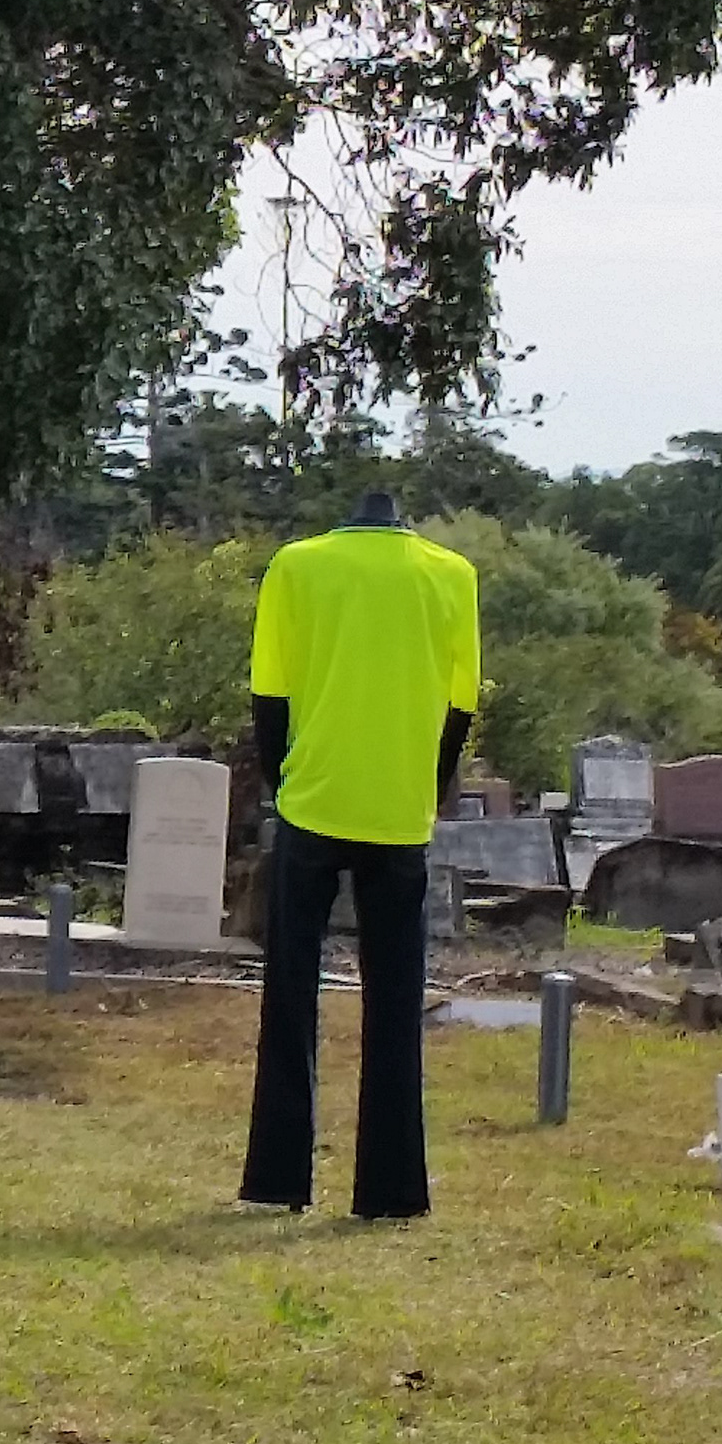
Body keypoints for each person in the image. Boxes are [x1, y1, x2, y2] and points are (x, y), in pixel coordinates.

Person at [240, 493, 478, 1220]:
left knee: (290, 993)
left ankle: (280, 1179)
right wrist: (424, 792)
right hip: (400, 812)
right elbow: (458, 707)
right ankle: (392, 1189)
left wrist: (283, 779)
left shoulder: (297, 565)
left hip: (313, 800)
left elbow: (269, 691)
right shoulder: (451, 574)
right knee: (398, 1005)